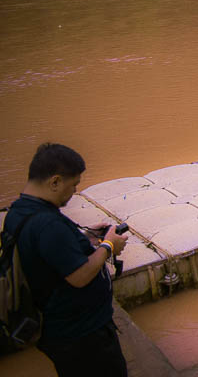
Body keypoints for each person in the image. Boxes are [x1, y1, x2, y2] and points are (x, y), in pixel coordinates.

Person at [2, 143, 129, 376]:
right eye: (73, 186)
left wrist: (86, 238)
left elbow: (48, 253)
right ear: (55, 182)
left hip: (60, 331)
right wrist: (108, 246)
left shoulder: (19, 211)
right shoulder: (48, 224)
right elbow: (80, 276)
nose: (73, 193)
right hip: (82, 337)